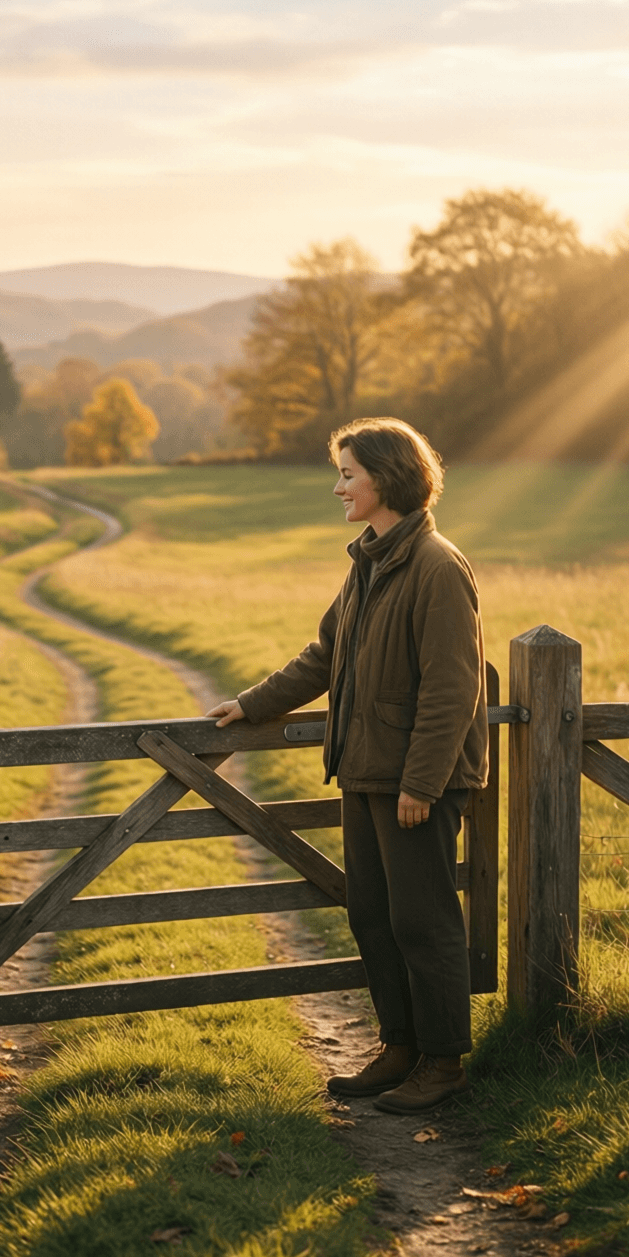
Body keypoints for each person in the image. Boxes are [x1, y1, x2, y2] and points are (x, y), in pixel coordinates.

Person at [207, 418, 487, 1114]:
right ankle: (399, 1046)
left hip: (415, 782)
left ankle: (443, 1062)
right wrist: (252, 704)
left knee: (423, 920)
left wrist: (421, 784)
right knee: (372, 914)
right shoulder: (368, 562)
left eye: (347, 474)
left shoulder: (437, 566)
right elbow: (325, 655)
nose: (338, 487)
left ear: (386, 478)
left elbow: (453, 687)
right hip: (365, 772)